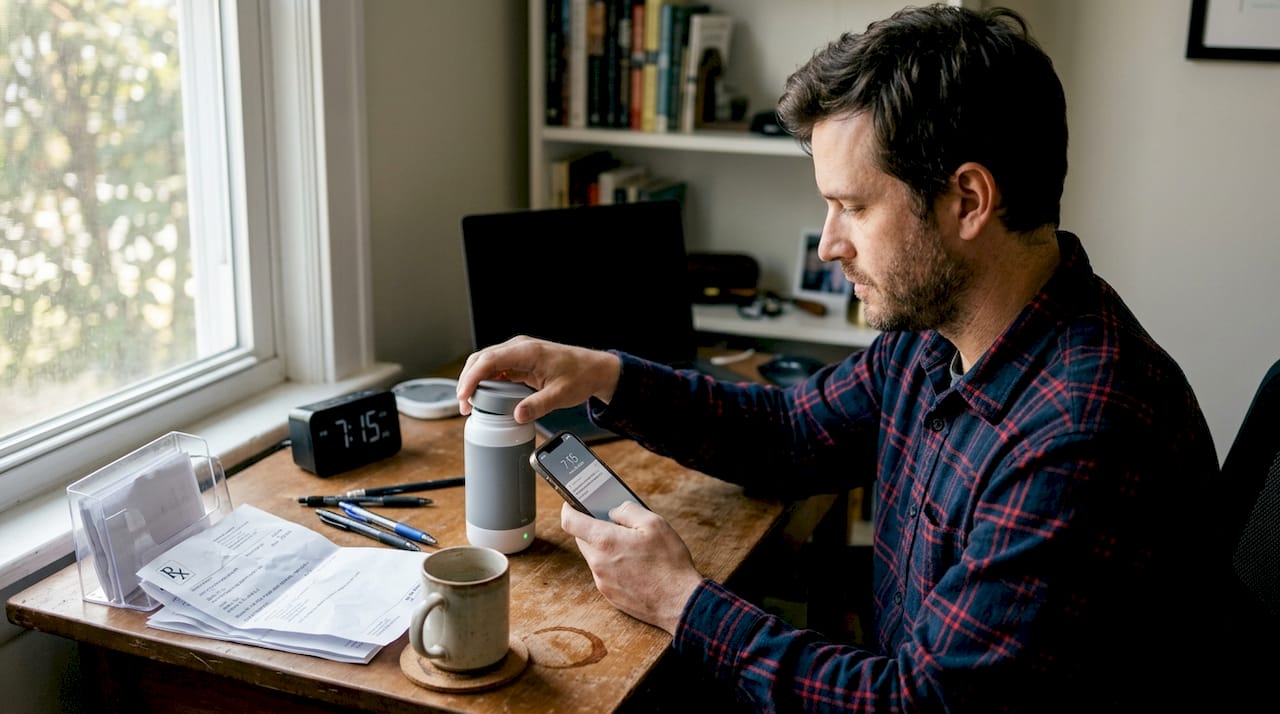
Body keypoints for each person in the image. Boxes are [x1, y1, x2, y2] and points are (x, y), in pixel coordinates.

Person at [457, 4, 1230, 711]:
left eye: (853, 206)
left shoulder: (1079, 436)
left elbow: (913, 707)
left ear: (968, 200)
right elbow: (793, 432)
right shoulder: (935, 337)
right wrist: (605, 375)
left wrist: (681, 601)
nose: (829, 244)